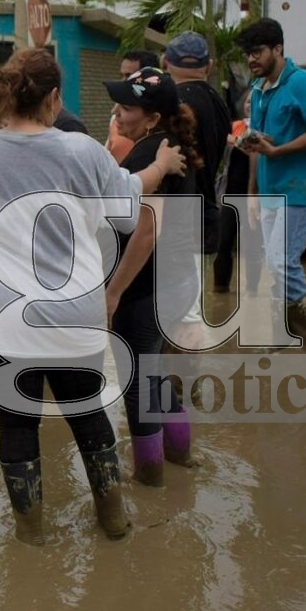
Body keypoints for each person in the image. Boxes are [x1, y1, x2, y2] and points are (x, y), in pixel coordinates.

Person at [0, 49, 187, 543]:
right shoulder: (81, 150)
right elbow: (127, 209)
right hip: (74, 311)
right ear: (53, 98)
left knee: (16, 421)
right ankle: (114, 519)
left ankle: (31, 533)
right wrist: (159, 166)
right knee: (88, 413)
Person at [102, 67, 203, 486]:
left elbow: (146, 233)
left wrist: (113, 293)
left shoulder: (150, 156)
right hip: (178, 280)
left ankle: (150, 476)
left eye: (127, 107)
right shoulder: (172, 147)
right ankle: (181, 456)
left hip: (146, 288)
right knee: (154, 371)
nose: (118, 113)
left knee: (136, 381)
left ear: (152, 118)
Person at [237, 18, 306, 350]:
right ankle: (284, 334)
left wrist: (279, 149)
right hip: (270, 187)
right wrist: (251, 186)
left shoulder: (303, 83)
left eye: (257, 52)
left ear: (278, 49)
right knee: (274, 263)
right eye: (248, 54)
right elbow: (261, 141)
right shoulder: (258, 88)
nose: (252, 60)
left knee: (282, 261)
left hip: (302, 186)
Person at [163, 31, 230, 253]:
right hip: (207, 214)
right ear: (209, 67)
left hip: (178, 220)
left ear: (165, 63)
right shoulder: (219, 103)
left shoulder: (172, 105)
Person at [213, 95, 262, 294]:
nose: (251, 105)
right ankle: (220, 288)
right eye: (249, 101)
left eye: (256, 100)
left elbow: (256, 152)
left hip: (256, 194)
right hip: (230, 193)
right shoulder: (234, 127)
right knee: (223, 242)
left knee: (252, 245)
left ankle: (252, 290)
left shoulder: (268, 129)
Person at [106, 49, 160, 163]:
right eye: (121, 75)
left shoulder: (162, 126)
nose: (124, 81)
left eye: (129, 76)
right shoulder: (116, 119)